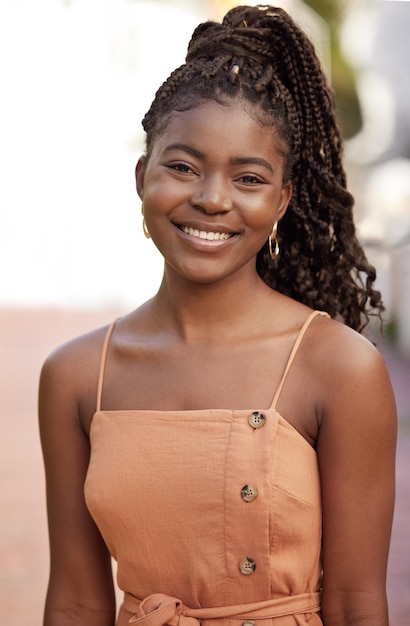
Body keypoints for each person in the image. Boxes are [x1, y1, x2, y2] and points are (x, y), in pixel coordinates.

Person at [39, 5, 397, 626]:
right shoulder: (75, 377)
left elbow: (355, 602)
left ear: (282, 199)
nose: (210, 198)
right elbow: (75, 600)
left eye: (249, 177)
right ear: (140, 177)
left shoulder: (338, 368)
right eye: (181, 166)